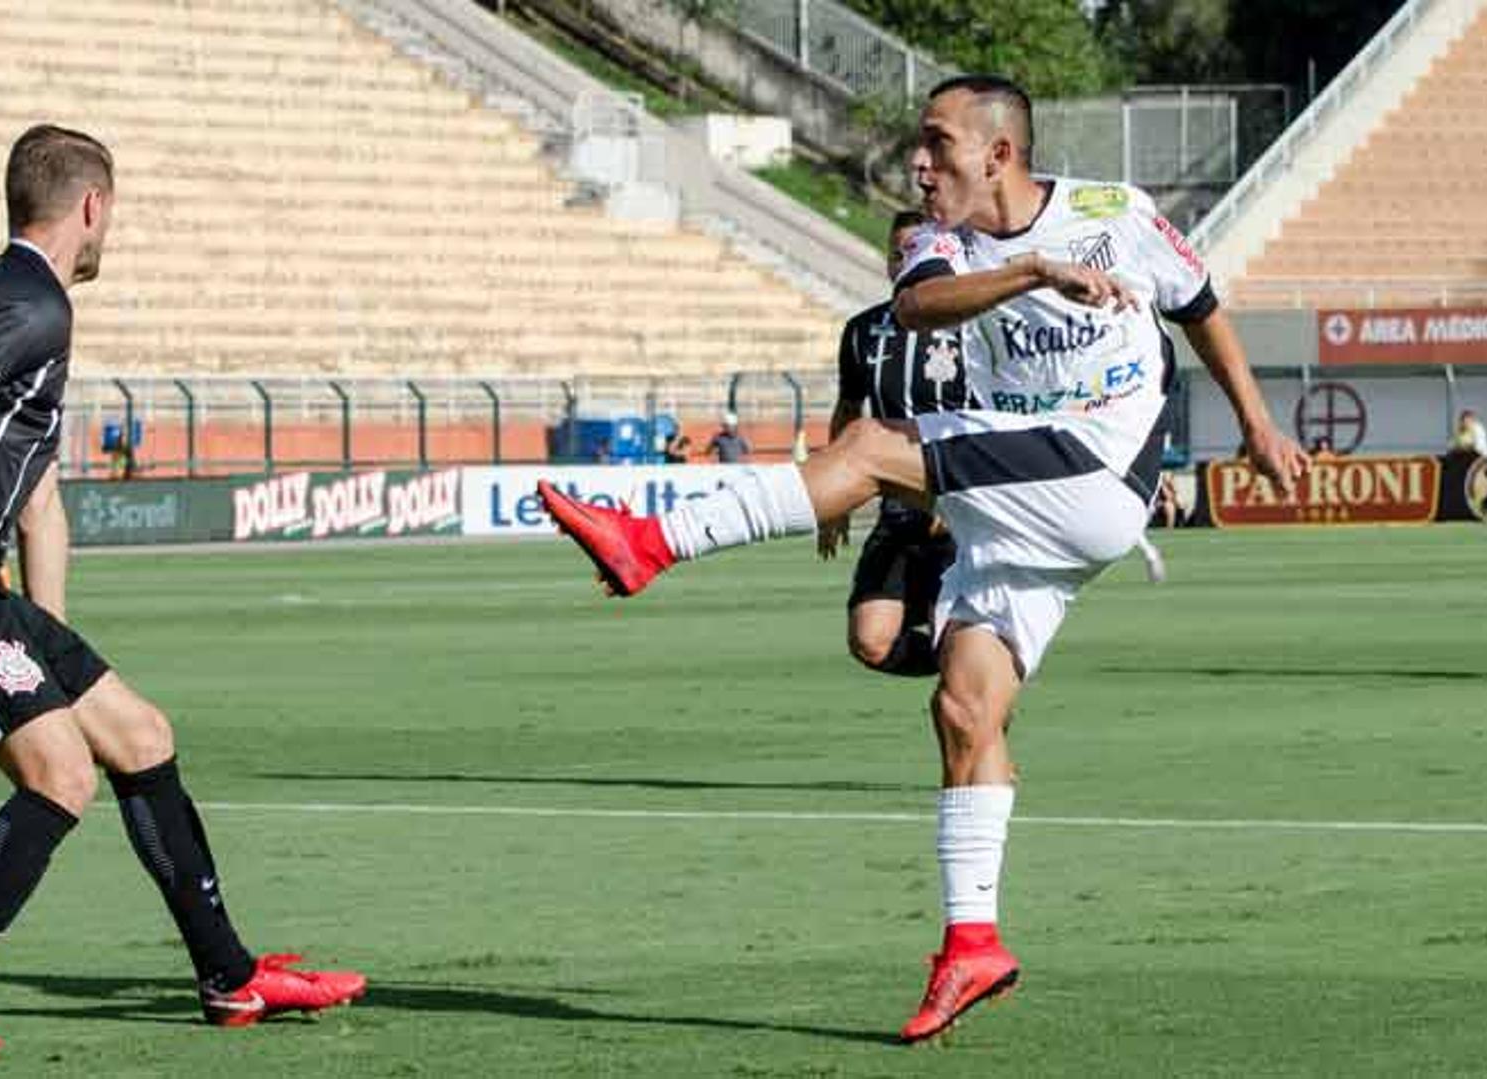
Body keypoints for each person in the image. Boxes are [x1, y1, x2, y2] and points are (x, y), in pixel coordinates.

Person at [535, 75, 1306, 1043]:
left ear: (999, 154)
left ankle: (649, 541)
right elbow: (921, 308)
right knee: (965, 708)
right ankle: (972, 941)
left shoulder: (1118, 215)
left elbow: (1201, 307)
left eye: (938, 144)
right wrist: (1033, 272)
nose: (919, 162)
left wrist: (1258, 424)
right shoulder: (942, 244)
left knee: (867, 451)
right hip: (1024, 491)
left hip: (1100, 468)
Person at [0, 125, 364, 1059]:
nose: (109, 233)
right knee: (62, 774)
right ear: (91, 207)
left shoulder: (9, 299)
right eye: (111, 217)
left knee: (140, 735)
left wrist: (45, 646)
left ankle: (229, 975)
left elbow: (38, 500)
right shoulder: (30, 303)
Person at [820, 209, 967, 678]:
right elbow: (848, 413)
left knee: (960, 644)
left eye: (914, 250)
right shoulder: (863, 330)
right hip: (898, 512)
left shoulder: (974, 326)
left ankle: (977, 681)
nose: (903, 260)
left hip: (963, 516)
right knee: (871, 641)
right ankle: (976, 670)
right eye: (896, 252)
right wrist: (833, 501)